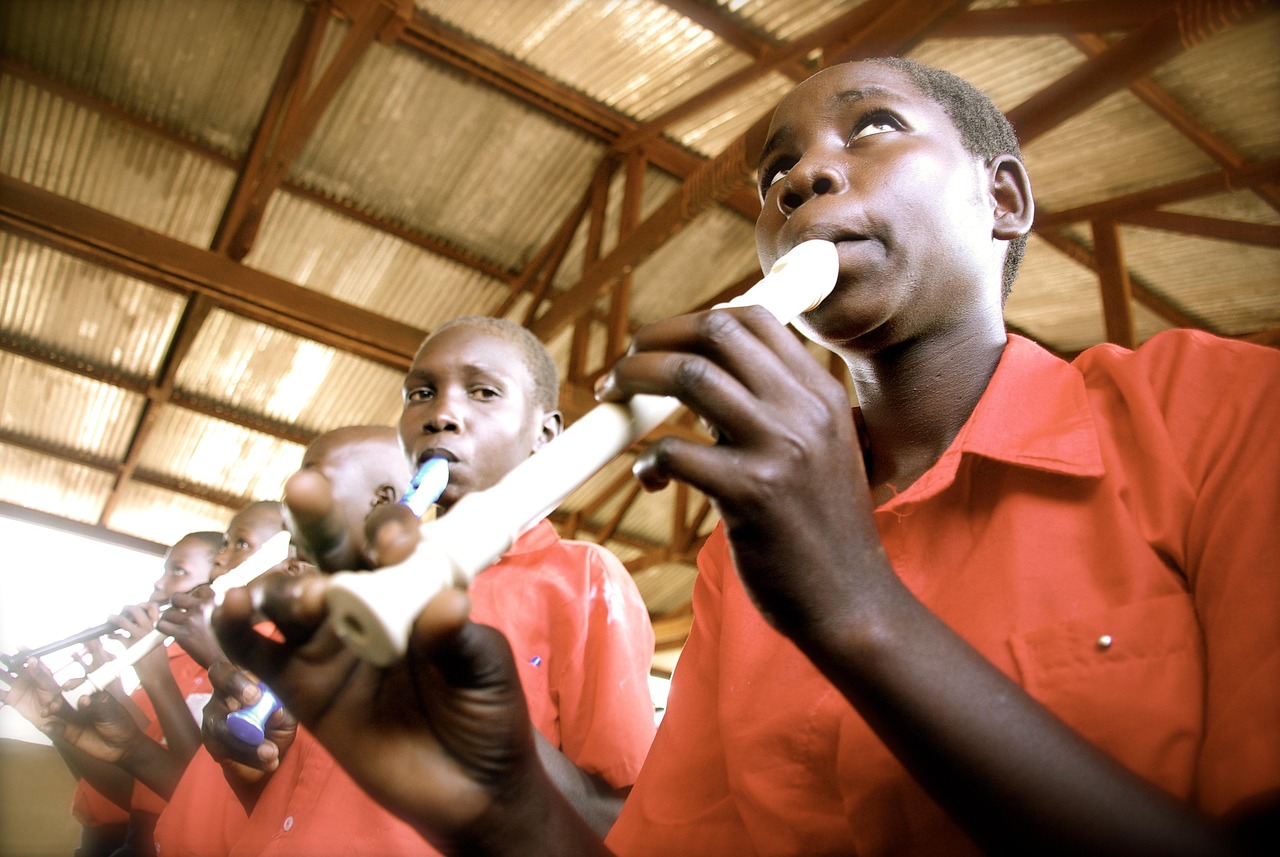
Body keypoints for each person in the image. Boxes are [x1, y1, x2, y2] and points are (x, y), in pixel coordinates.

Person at [215, 56, 1280, 856]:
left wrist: (853, 604)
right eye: (774, 170)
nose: (803, 173)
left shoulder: (1223, 413)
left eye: (869, 129)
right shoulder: (740, 559)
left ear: (1001, 199)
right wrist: (508, 807)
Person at [0, 530, 222, 857]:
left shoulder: (216, 666)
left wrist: (155, 678)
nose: (159, 585)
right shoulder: (167, 659)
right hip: (115, 838)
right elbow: (131, 775)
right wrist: (62, 716)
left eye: (178, 571)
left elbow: (198, 792)